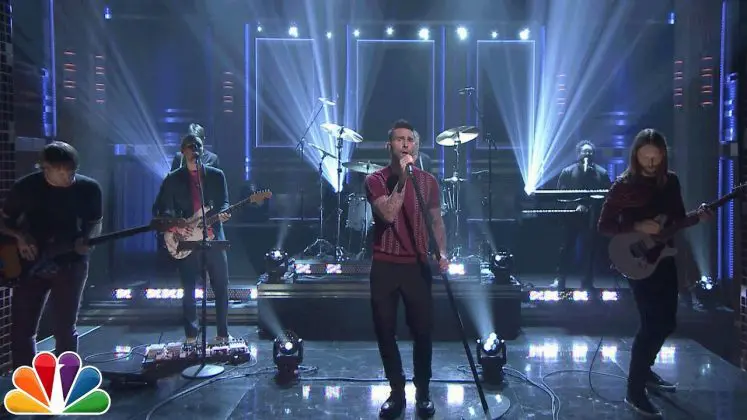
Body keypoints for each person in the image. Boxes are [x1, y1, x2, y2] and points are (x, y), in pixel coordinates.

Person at [597, 128, 712, 418]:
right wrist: (636, 226)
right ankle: (634, 391)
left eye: (655, 157)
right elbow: (604, 225)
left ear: (663, 156)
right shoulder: (624, 185)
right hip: (636, 260)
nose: (650, 163)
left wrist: (697, 218)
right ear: (635, 156)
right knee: (651, 324)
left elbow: (677, 220)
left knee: (668, 322)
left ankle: (645, 371)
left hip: (664, 257)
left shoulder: (670, 182)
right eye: (645, 157)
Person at [365, 119, 449, 419]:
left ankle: (422, 391)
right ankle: (397, 392)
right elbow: (388, 213)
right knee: (385, 331)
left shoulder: (429, 182)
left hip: (417, 265)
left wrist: (442, 252)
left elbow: (436, 220)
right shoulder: (375, 180)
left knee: (423, 332)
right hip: (385, 265)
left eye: (409, 140)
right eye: (399, 139)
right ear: (389, 145)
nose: (404, 144)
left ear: (416, 146)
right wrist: (402, 178)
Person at [0, 142, 102, 369]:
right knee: (23, 329)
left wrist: (87, 240)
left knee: (65, 328)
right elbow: (4, 221)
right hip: (30, 264)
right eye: (62, 172)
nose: (69, 177)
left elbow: (95, 222)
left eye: (72, 171)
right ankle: (25, 380)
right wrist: (20, 236)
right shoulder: (25, 187)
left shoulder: (89, 188)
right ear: (46, 168)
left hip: (71, 263)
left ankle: (67, 379)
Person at [154, 134, 232, 343]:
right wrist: (176, 225)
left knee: (221, 286)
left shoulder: (216, 175)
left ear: (202, 149)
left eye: (197, 145)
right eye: (190, 146)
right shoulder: (173, 179)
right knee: (189, 288)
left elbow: (224, 202)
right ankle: (191, 336)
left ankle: (223, 334)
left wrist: (224, 213)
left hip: (214, 237)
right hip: (186, 239)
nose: (194, 149)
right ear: (183, 151)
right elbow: (162, 209)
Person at [552, 140, 612, 289]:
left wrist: (593, 207)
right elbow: (560, 195)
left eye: (590, 152)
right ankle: (560, 279)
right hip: (571, 216)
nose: (587, 154)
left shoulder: (601, 173)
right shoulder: (568, 172)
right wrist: (575, 205)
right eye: (585, 151)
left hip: (592, 217)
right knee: (566, 248)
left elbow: (607, 196)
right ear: (578, 153)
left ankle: (587, 280)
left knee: (589, 249)